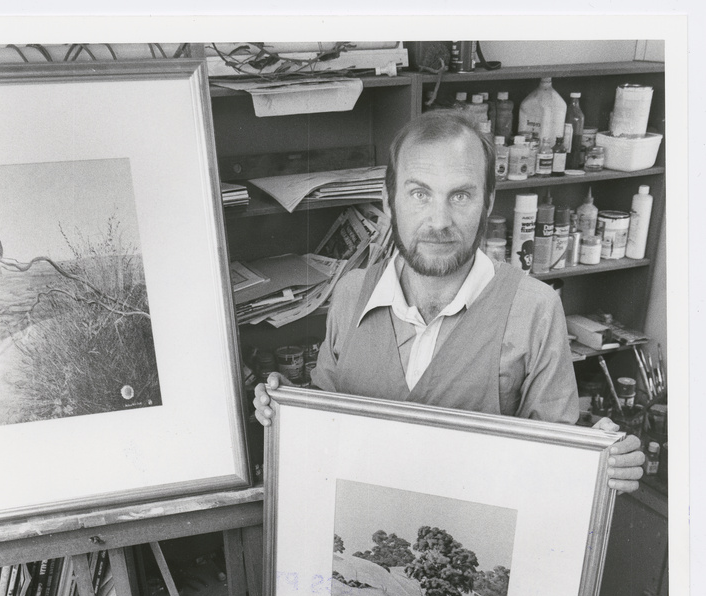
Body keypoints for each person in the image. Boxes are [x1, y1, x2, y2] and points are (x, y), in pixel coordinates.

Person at [254, 110, 644, 491]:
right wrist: (287, 406)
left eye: (460, 195)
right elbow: (327, 419)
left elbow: (553, 466)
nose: (438, 221)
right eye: (419, 193)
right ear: (389, 202)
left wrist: (603, 461)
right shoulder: (351, 293)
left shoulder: (535, 309)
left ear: (488, 202)